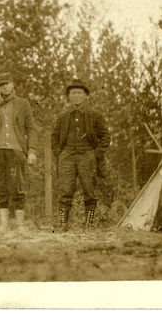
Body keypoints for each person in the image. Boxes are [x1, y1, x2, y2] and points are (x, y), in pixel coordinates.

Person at [0, 72, 38, 232]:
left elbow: (31, 128)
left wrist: (31, 150)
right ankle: (3, 224)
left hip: (17, 150)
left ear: (12, 84)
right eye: (1, 85)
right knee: (1, 186)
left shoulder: (23, 103)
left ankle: (20, 224)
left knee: (19, 185)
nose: (4, 87)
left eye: (7, 83)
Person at [51, 79, 110, 232]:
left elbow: (105, 138)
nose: (76, 96)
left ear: (85, 96)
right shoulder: (63, 116)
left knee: (89, 191)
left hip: (87, 157)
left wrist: (95, 154)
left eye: (79, 93)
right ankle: (62, 225)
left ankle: (89, 224)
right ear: (69, 96)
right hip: (67, 157)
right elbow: (54, 138)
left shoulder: (94, 115)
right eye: (73, 93)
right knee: (65, 191)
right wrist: (60, 154)